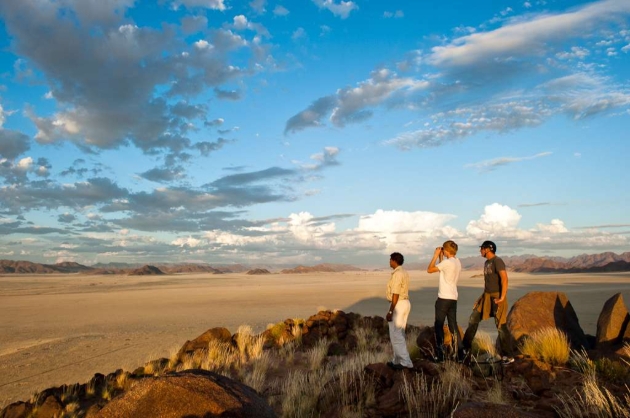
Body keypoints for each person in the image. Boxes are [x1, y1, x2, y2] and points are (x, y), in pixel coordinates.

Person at [461, 240, 515, 364]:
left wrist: (502, 297)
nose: (480, 250)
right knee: (473, 319)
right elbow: (488, 284)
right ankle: (464, 349)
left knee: (501, 326)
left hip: (497, 297)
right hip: (486, 297)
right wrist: (480, 298)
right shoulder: (487, 263)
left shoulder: (497, 261)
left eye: (482, 248)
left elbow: (504, 279)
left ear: (488, 249)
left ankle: (509, 356)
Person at [427, 240, 461, 362]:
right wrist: (441, 257)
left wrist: (436, 255)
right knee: (453, 326)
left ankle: (440, 355)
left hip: (443, 299)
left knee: (439, 326)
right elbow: (444, 269)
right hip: (453, 298)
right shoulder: (457, 262)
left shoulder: (447, 262)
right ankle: (460, 354)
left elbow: (429, 270)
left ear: (446, 250)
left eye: (443, 250)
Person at [385, 252, 414, 370]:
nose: (389, 262)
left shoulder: (397, 274)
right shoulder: (404, 272)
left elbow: (395, 293)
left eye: (390, 260)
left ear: (394, 260)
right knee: (399, 333)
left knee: (396, 334)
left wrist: (391, 311)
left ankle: (406, 362)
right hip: (405, 303)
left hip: (398, 304)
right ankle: (397, 360)